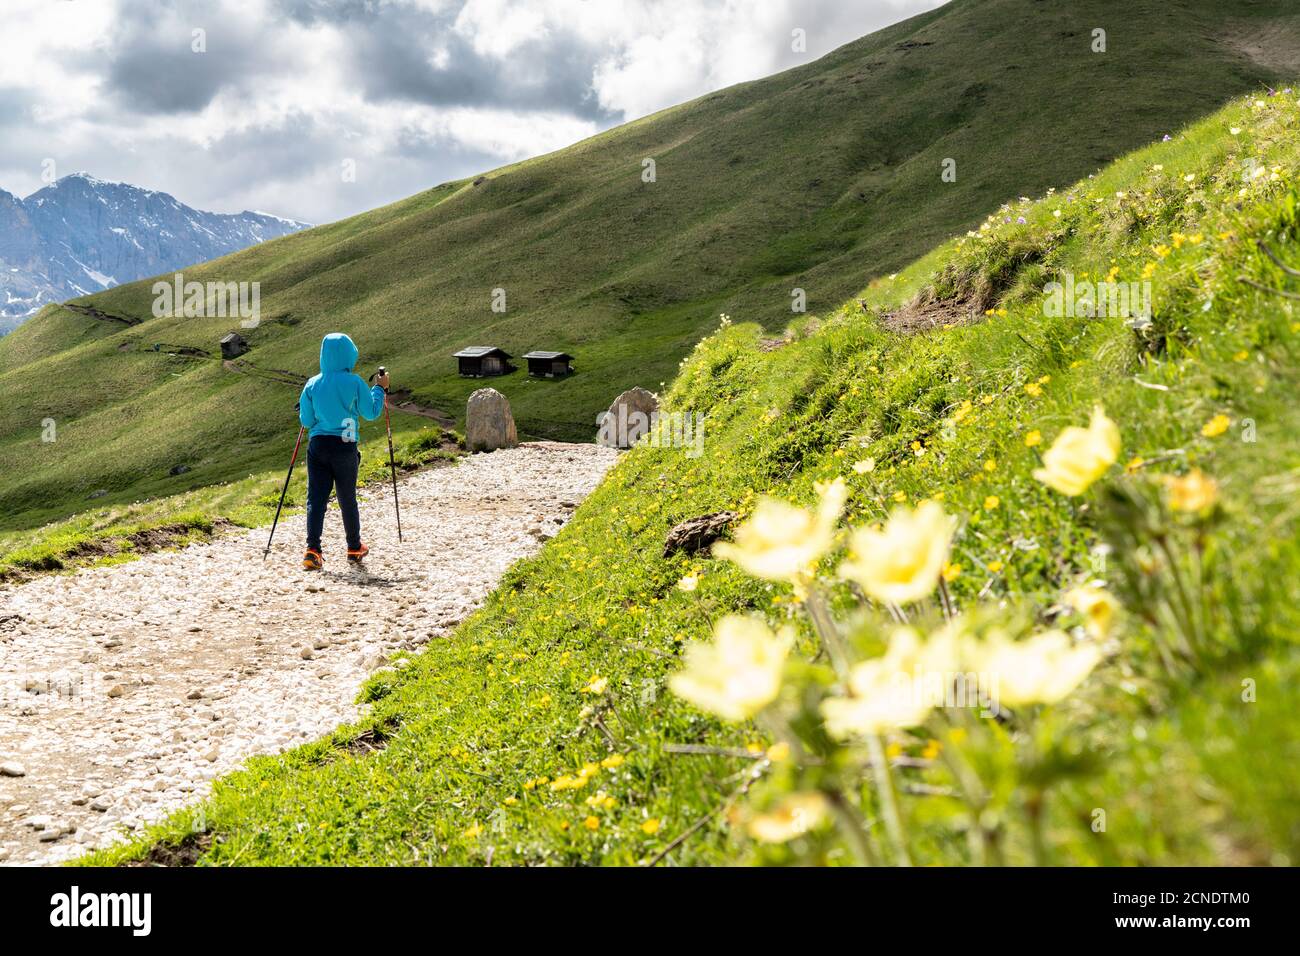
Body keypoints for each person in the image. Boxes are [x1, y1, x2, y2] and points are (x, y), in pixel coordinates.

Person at [297, 332, 388, 570]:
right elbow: (371, 413)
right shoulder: (356, 382)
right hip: (345, 446)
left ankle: (312, 550)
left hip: (318, 446)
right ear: (350, 354)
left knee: (316, 499)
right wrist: (380, 389)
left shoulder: (312, 384)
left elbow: (306, 421)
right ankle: (354, 547)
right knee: (347, 498)